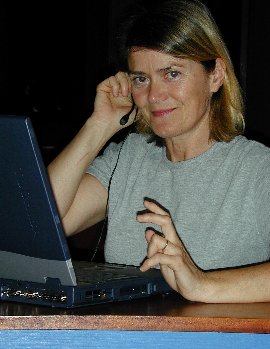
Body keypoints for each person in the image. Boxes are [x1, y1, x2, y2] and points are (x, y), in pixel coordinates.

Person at [48, 0, 270, 303]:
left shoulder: (258, 168)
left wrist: (203, 285)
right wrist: (99, 125)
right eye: (141, 78)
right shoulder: (128, 156)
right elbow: (47, 222)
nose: (154, 95)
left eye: (172, 74)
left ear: (215, 75)